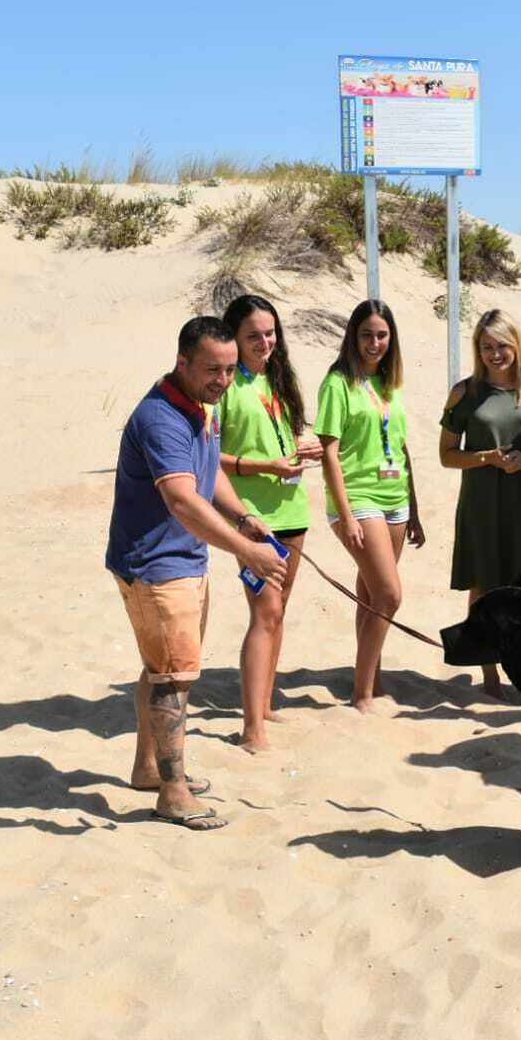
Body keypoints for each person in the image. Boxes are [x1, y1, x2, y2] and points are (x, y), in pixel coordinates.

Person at [105, 315, 289, 831]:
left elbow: (207, 477)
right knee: (173, 680)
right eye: (213, 369)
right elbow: (183, 499)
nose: (223, 381)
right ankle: (173, 791)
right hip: (158, 566)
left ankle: (148, 769)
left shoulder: (199, 406)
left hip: (182, 559)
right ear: (182, 361)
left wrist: (244, 517)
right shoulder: (162, 417)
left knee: (160, 667)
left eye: (231, 371)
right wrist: (245, 551)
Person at [217, 294, 323, 754]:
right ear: (233, 339)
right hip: (251, 519)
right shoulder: (224, 387)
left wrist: (303, 451)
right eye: (254, 336)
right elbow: (208, 457)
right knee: (265, 613)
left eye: (271, 333)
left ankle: (263, 703)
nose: (265, 342)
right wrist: (263, 467)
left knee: (279, 612)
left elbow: (279, 442)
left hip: (293, 511)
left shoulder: (278, 380)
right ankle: (250, 726)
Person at [439, 308, 521, 699]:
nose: (495, 354)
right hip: (481, 501)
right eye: (486, 346)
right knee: (484, 585)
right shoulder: (465, 392)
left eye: (502, 345)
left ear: (516, 345)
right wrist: (485, 458)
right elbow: (446, 455)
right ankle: (488, 674)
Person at [315, 300, 425, 712]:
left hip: (395, 499)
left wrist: (414, 509)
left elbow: (400, 445)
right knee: (390, 594)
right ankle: (362, 693)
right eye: (366, 334)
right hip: (358, 498)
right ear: (353, 336)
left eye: (381, 335)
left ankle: (372, 681)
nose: (374, 343)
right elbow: (329, 449)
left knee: (370, 595)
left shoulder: (390, 382)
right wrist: (345, 515)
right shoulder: (338, 382)